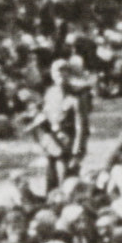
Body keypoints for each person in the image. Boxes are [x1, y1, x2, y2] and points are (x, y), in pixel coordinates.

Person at [31, 59, 83, 193]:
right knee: (49, 176)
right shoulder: (50, 93)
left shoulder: (75, 96)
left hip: (66, 142)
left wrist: (77, 150)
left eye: (64, 73)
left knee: (64, 177)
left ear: (69, 74)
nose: (61, 76)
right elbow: (44, 113)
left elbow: (80, 126)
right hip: (50, 141)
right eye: (57, 73)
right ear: (53, 75)